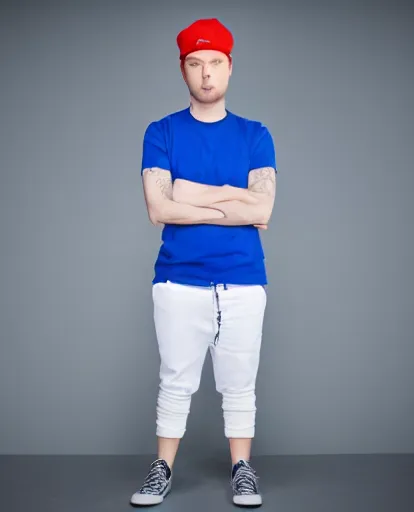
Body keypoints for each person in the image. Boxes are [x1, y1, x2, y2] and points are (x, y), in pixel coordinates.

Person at [130, 18, 277, 508]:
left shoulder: (256, 135)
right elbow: (159, 208)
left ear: (230, 68)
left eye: (215, 63)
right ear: (183, 70)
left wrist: (191, 192)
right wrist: (233, 201)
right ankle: (161, 469)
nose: (206, 74)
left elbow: (263, 208)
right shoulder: (162, 132)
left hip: (243, 280)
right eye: (196, 64)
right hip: (178, 279)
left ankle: (242, 469)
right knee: (175, 379)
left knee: (240, 385)